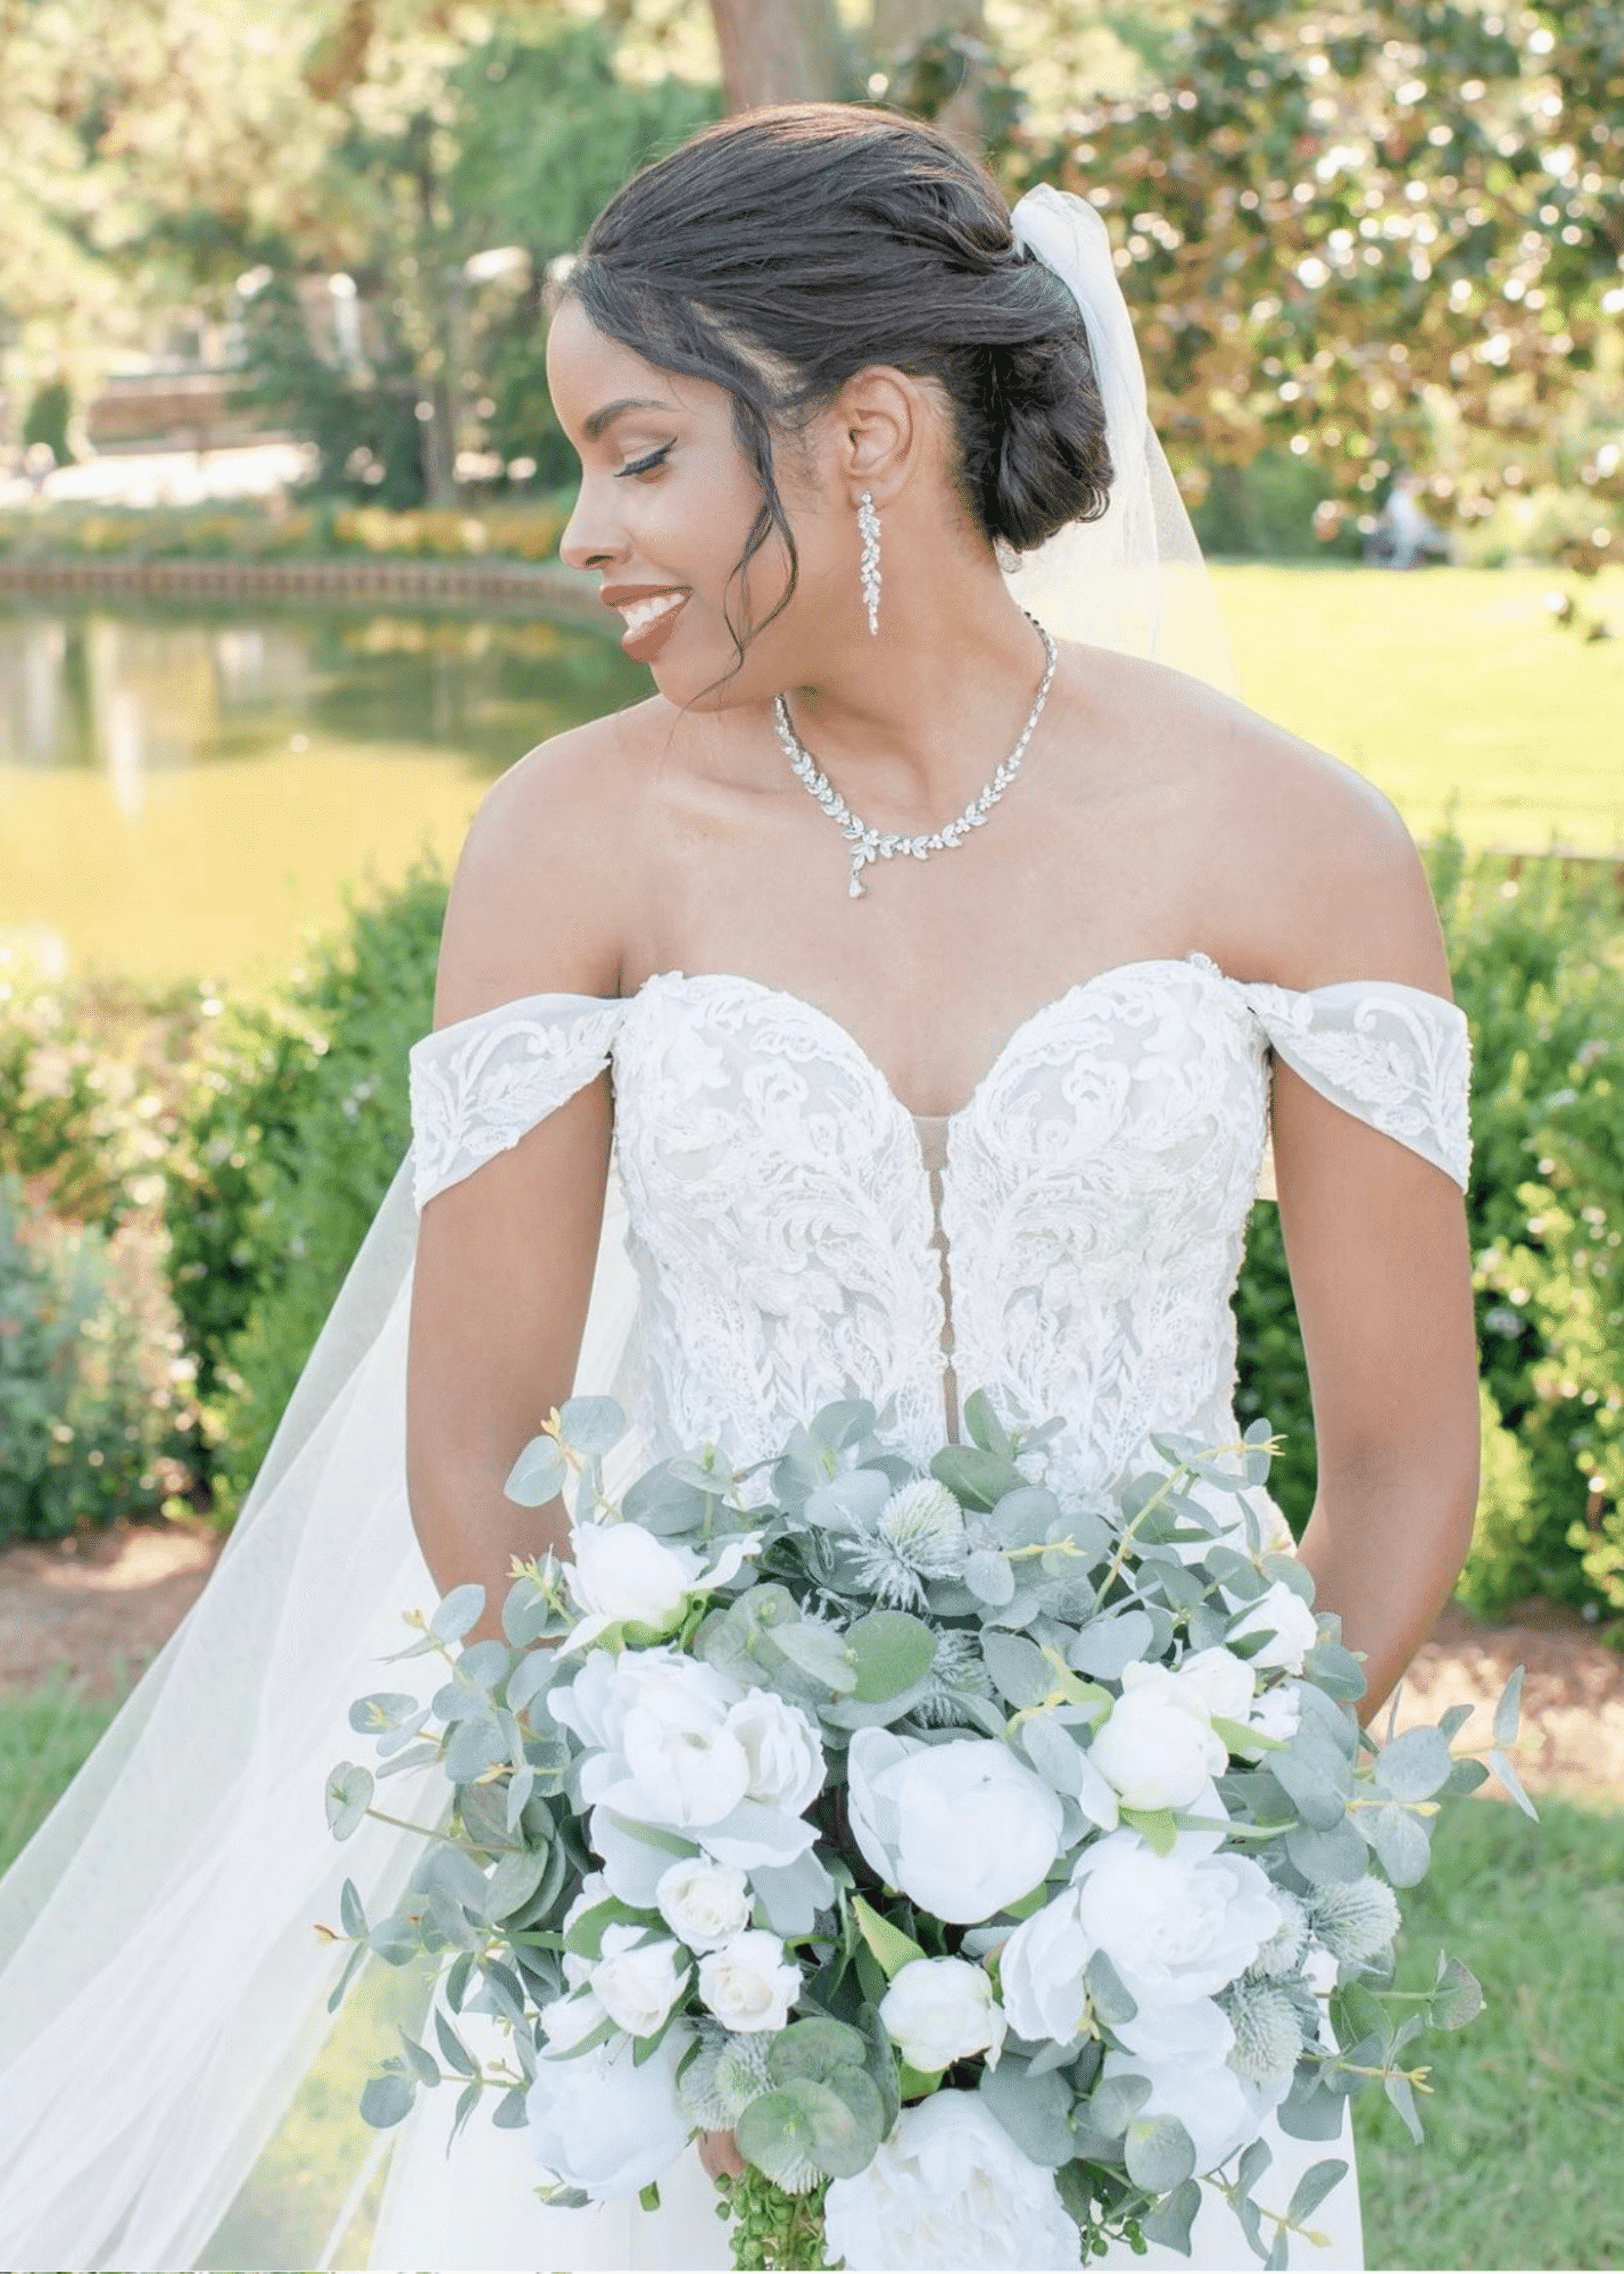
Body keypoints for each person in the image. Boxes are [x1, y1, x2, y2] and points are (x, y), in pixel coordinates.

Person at [0, 106, 1478, 2273]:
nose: (580, 535)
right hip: (698, 1931)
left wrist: (1181, 1878)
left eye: (638, 452)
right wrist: (680, 1929)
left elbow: (1405, 1456)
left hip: (1163, 1974)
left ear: (866, 431)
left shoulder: (1297, 844)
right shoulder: (571, 844)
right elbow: (482, 1469)